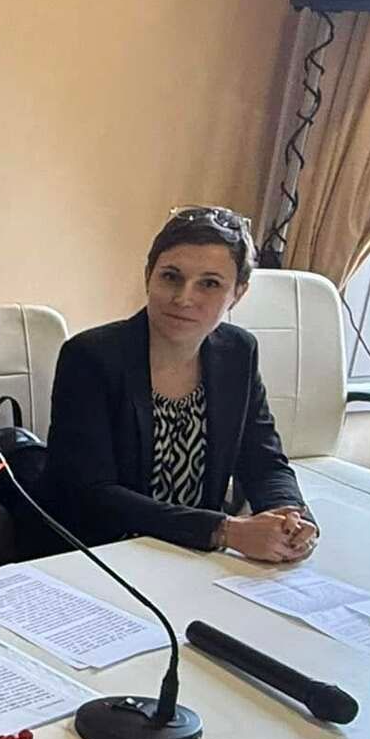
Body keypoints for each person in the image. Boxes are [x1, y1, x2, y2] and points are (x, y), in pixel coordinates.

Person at [46, 206, 316, 560]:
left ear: (239, 292)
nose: (184, 298)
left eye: (209, 284)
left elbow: (263, 459)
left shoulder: (238, 352)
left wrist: (289, 515)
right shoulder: (91, 357)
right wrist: (224, 530)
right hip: (107, 552)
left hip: (196, 557)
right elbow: (89, 494)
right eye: (171, 277)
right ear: (149, 276)